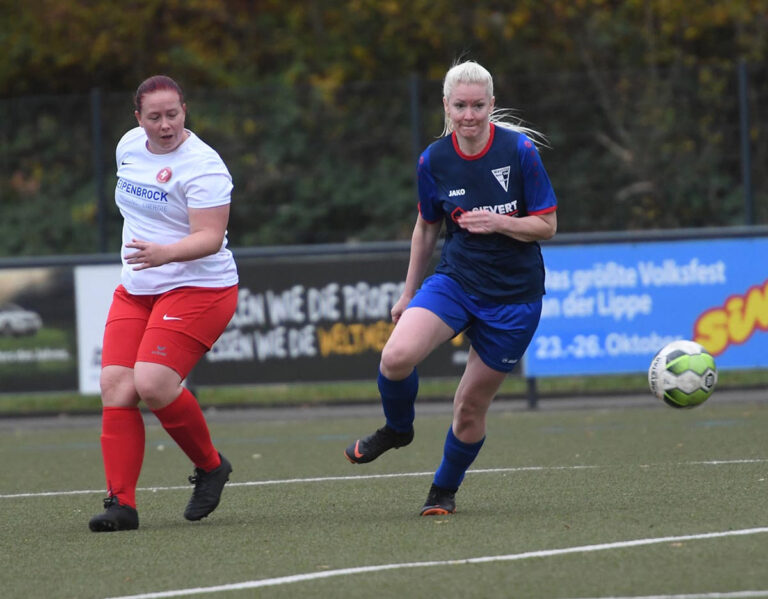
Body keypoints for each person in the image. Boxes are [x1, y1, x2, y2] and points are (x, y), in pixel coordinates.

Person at [344, 60, 557, 515]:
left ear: (492, 105)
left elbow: (548, 226)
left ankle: (444, 489)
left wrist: (500, 222)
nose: (469, 116)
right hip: (456, 280)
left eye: (478, 106)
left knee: (468, 409)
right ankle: (398, 428)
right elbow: (426, 228)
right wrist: (408, 293)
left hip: (515, 299)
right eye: (460, 106)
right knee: (396, 357)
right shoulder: (434, 159)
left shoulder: (519, 152)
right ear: (446, 106)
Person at [89, 75, 239, 532]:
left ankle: (211, 466)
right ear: (138, 118)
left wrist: (164, 254)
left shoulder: (205, 166)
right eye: (154, 116)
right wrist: (147, 263)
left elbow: (211, 238)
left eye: (173, 114)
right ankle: (121, 504)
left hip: (200, 287)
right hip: (138, 286)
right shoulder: (129, 146)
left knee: (152, 383)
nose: (165, 124)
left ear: (184, 111)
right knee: (116, 385)